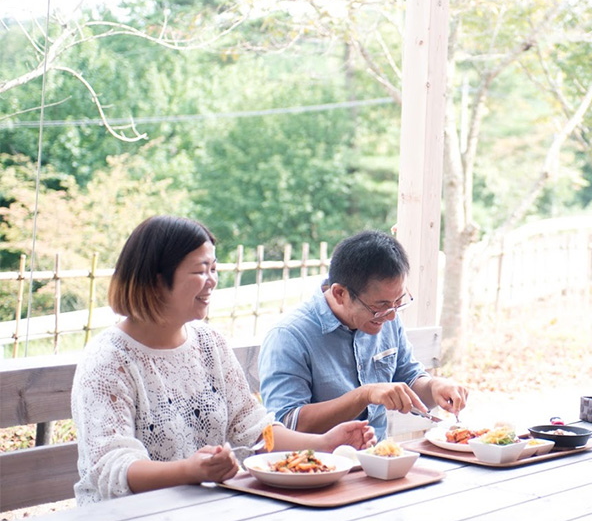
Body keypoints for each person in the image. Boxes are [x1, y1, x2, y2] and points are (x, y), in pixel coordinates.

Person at [71, 216, 375, 505]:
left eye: (214, 269)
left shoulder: (208, 343)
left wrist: (322, 443)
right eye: (201, 270)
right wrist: (189, 471)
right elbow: (111, 467)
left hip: (208, 510)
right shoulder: (109, 360)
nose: (212, 280)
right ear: (156, 279)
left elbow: (252, 429)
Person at [259, 230, 469, 439]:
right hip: (318, 466)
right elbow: (286, 423)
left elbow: (408, 376)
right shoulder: (288, 337)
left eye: (398, 302)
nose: (391, 316)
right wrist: (364, 395)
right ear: (340, 293)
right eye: (380, 306)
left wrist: (434, 387)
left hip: (380, 458)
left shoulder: (387, 317)